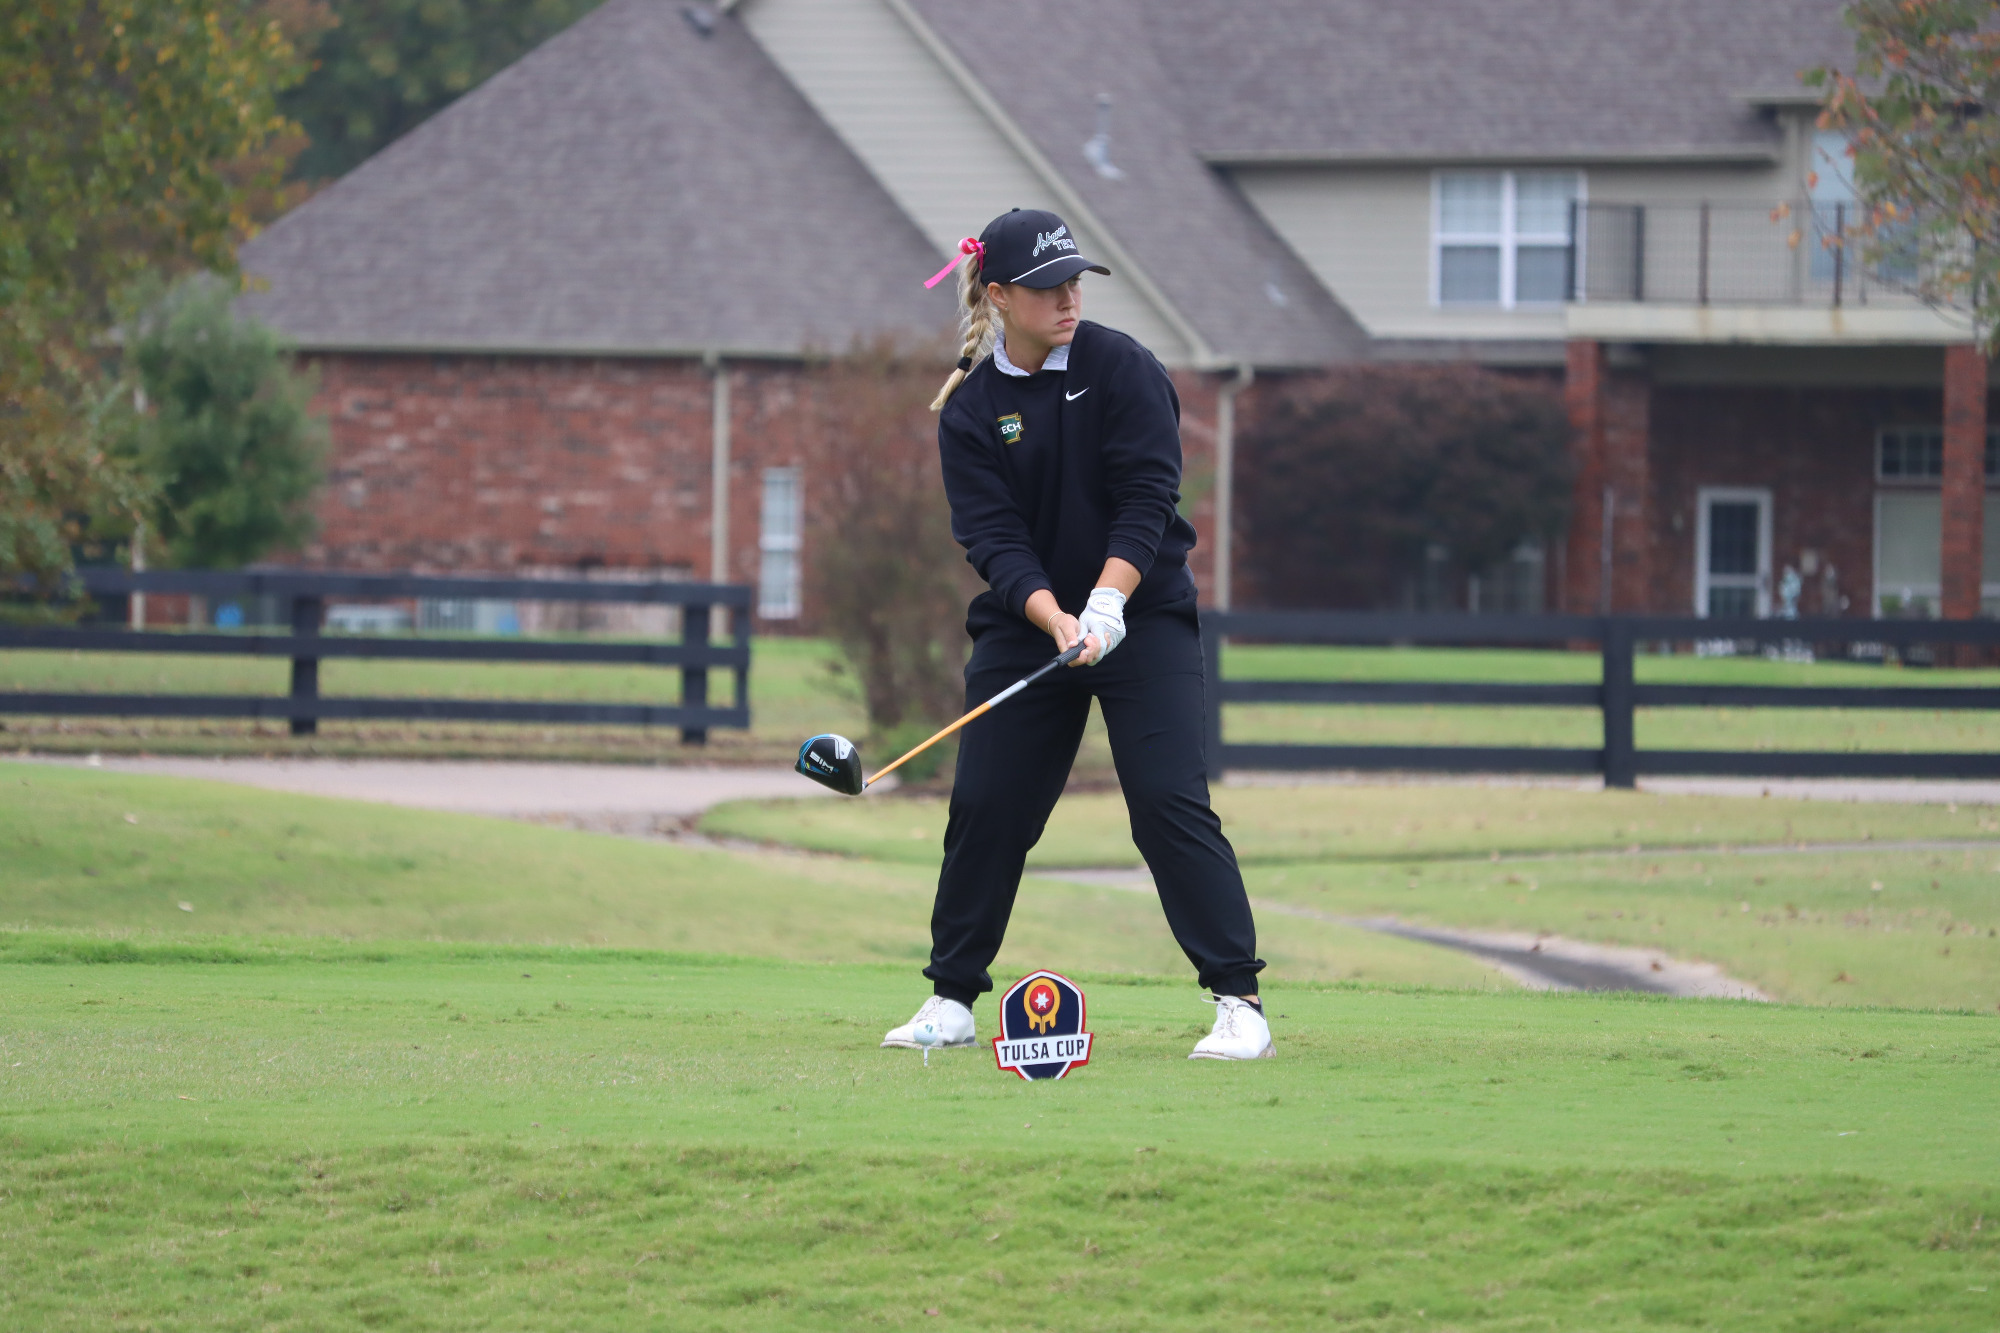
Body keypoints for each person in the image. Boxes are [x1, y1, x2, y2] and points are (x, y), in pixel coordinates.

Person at [881, 208, 1271, 1061]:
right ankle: (950, 998)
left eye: (1075, 282)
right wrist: (1055, 616)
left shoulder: (1122, 368)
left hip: (1144, 616)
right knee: (988, 804)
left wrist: (1106, 603)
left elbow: (1146, 500)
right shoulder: (972, 409)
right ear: (999, 296)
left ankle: (1239, 1001)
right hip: (1032, 629)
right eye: (1049, 286)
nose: (1068, 299)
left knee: (1167, 800)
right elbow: (994, 541)